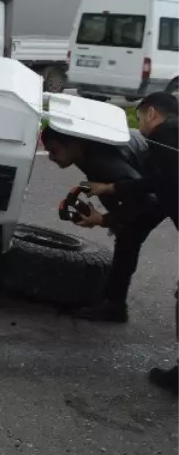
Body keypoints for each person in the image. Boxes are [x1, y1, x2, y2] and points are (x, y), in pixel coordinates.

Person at [86, 92, 179, 392]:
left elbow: (162, 188)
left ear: (152, 113)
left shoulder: (164, 135)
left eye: (139, 118)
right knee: (131, 234)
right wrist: (114, 189)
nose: (140, 126)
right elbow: (161, 185)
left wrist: (107, 214)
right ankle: (114, 305)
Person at [40, 124, 166, 322]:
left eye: (53, 150)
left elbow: (146, 199)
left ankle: (114, 306)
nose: (51, 157)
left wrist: (105, 219)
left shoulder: (101, 159)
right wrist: (115, 218)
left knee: (128, 239)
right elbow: (109, 187)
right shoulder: (86, 153)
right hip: (155, 181)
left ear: (73, 143)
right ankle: (113, 303)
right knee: (126, 238)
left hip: (164, 186)